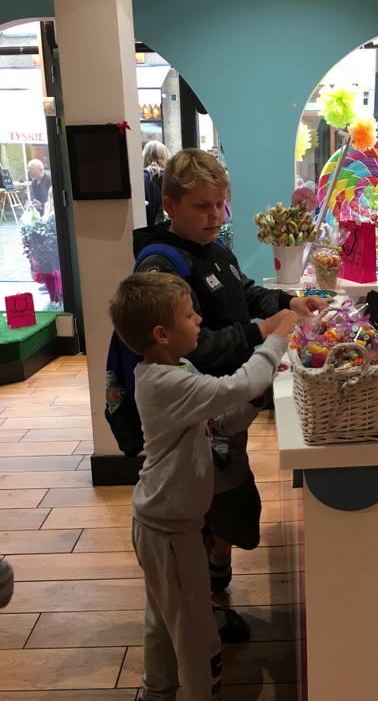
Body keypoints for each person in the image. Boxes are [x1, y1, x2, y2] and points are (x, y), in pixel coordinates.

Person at [132, 148, 327, 600]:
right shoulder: (162, 267)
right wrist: (263, 331)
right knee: (217, 502)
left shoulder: (215, 247)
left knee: (229, 497)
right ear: (169, 206)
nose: (215, 215)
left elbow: (246, 292)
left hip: (229, 405)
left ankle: (214, 577)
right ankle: (205, 594)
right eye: (202, 206)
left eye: (221, 204)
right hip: (199, 411)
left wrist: (288, 303)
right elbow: (192, 346)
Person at [108, 271, 300, 701]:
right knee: (198, 634)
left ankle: (156, 692)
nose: (200, 321)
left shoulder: (177, 368)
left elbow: (221, 420)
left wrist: (254, 400)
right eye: (190, 315)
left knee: (164, 620)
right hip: (169, 531)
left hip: (166, 522)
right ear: (162, 334)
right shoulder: (167, 383)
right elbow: (239, 383)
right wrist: (277, 337)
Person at [143, 141, 169, 227]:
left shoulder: (142, 178)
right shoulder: (170, 178)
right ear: (165, 156)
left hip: (147, 229)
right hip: (167, 229)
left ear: (145, 157)